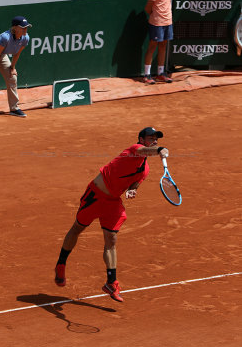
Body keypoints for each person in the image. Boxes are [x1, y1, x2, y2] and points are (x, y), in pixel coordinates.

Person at [55, 127, 169, 302]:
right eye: (151, 138)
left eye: (157, 139)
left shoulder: (145, 170)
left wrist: (132, 191)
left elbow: (135, 183)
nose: (154, 141)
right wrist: (159, 150)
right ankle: (61, 263)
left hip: (112, 202)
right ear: (141, 139)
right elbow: (145, 151)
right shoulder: (133, 150)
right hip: (95, 196)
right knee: (78, 228)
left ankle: (111, 282)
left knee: (111, 240)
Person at [0, 16, 32, 121]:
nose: (25, 29)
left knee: (12, 77)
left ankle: (14, 108)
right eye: (23, 27)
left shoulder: (25, 37)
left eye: (26, 27)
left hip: (1, 55)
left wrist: (12, 67)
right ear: (15, 28)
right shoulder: (5, 37)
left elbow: (17, 54)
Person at [143, 0, 178, 85]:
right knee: (152, 46)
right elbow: (148, 7)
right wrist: (154, 16)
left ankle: (160, 73)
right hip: (157, 22)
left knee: (163, 46)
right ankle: (146, 74)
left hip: (168, 21)